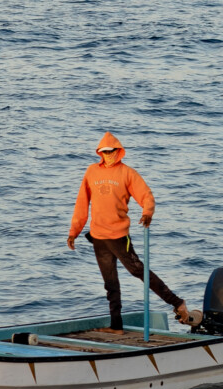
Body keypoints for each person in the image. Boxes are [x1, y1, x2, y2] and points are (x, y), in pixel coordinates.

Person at [67, 131, 191, 330]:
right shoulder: (92, 171)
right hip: (99, 237)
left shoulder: (127, 173)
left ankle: (177, 302)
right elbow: (82, 203)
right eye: (105, 152)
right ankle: (116, 326)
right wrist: (74, 231)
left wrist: (147, 212)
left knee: (138, 271)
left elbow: (146, 195)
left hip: (118, 236)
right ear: (100, 152)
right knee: (110, 284)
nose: (109, 155)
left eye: (112, 151)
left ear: (119, 151)